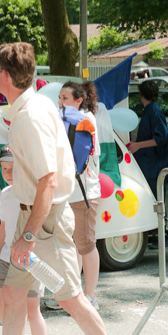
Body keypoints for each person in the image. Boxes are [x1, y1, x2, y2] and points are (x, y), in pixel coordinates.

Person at [0, 42, 135, 335]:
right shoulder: (35, 105)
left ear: (4, 75)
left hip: (43, 222)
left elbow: (49, 180)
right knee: (12, 298)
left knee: (71, 299)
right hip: (36, 219)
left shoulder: (30, 116)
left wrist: (27, 236)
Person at [0, 147, 53, 335]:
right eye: (4, 169)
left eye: (13, 169)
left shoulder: (34, 192)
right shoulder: (5, 193)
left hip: (29, 259)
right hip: (6, 257)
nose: (8, 173)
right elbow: (3, 225)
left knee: (32, 310)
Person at [45, 81, 103, 312]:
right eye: (59, 97)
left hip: (84, 193)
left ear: (79, 100)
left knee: (85, 245)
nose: (60, 102)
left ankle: (90, 296)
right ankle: (72, 294)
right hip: (69, 193)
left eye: (65, 98)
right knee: (71, 246)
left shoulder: (86, 120)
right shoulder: (68, 120)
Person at [128, 81, 168, 249]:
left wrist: (138, 145)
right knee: (155, 200)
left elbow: (162, 137)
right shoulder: (151, 110)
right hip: (152, 164)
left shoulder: (153, 111)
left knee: (158, 200)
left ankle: (164, 236)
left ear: (142, 95)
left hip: (155, 165)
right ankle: (157, 235)